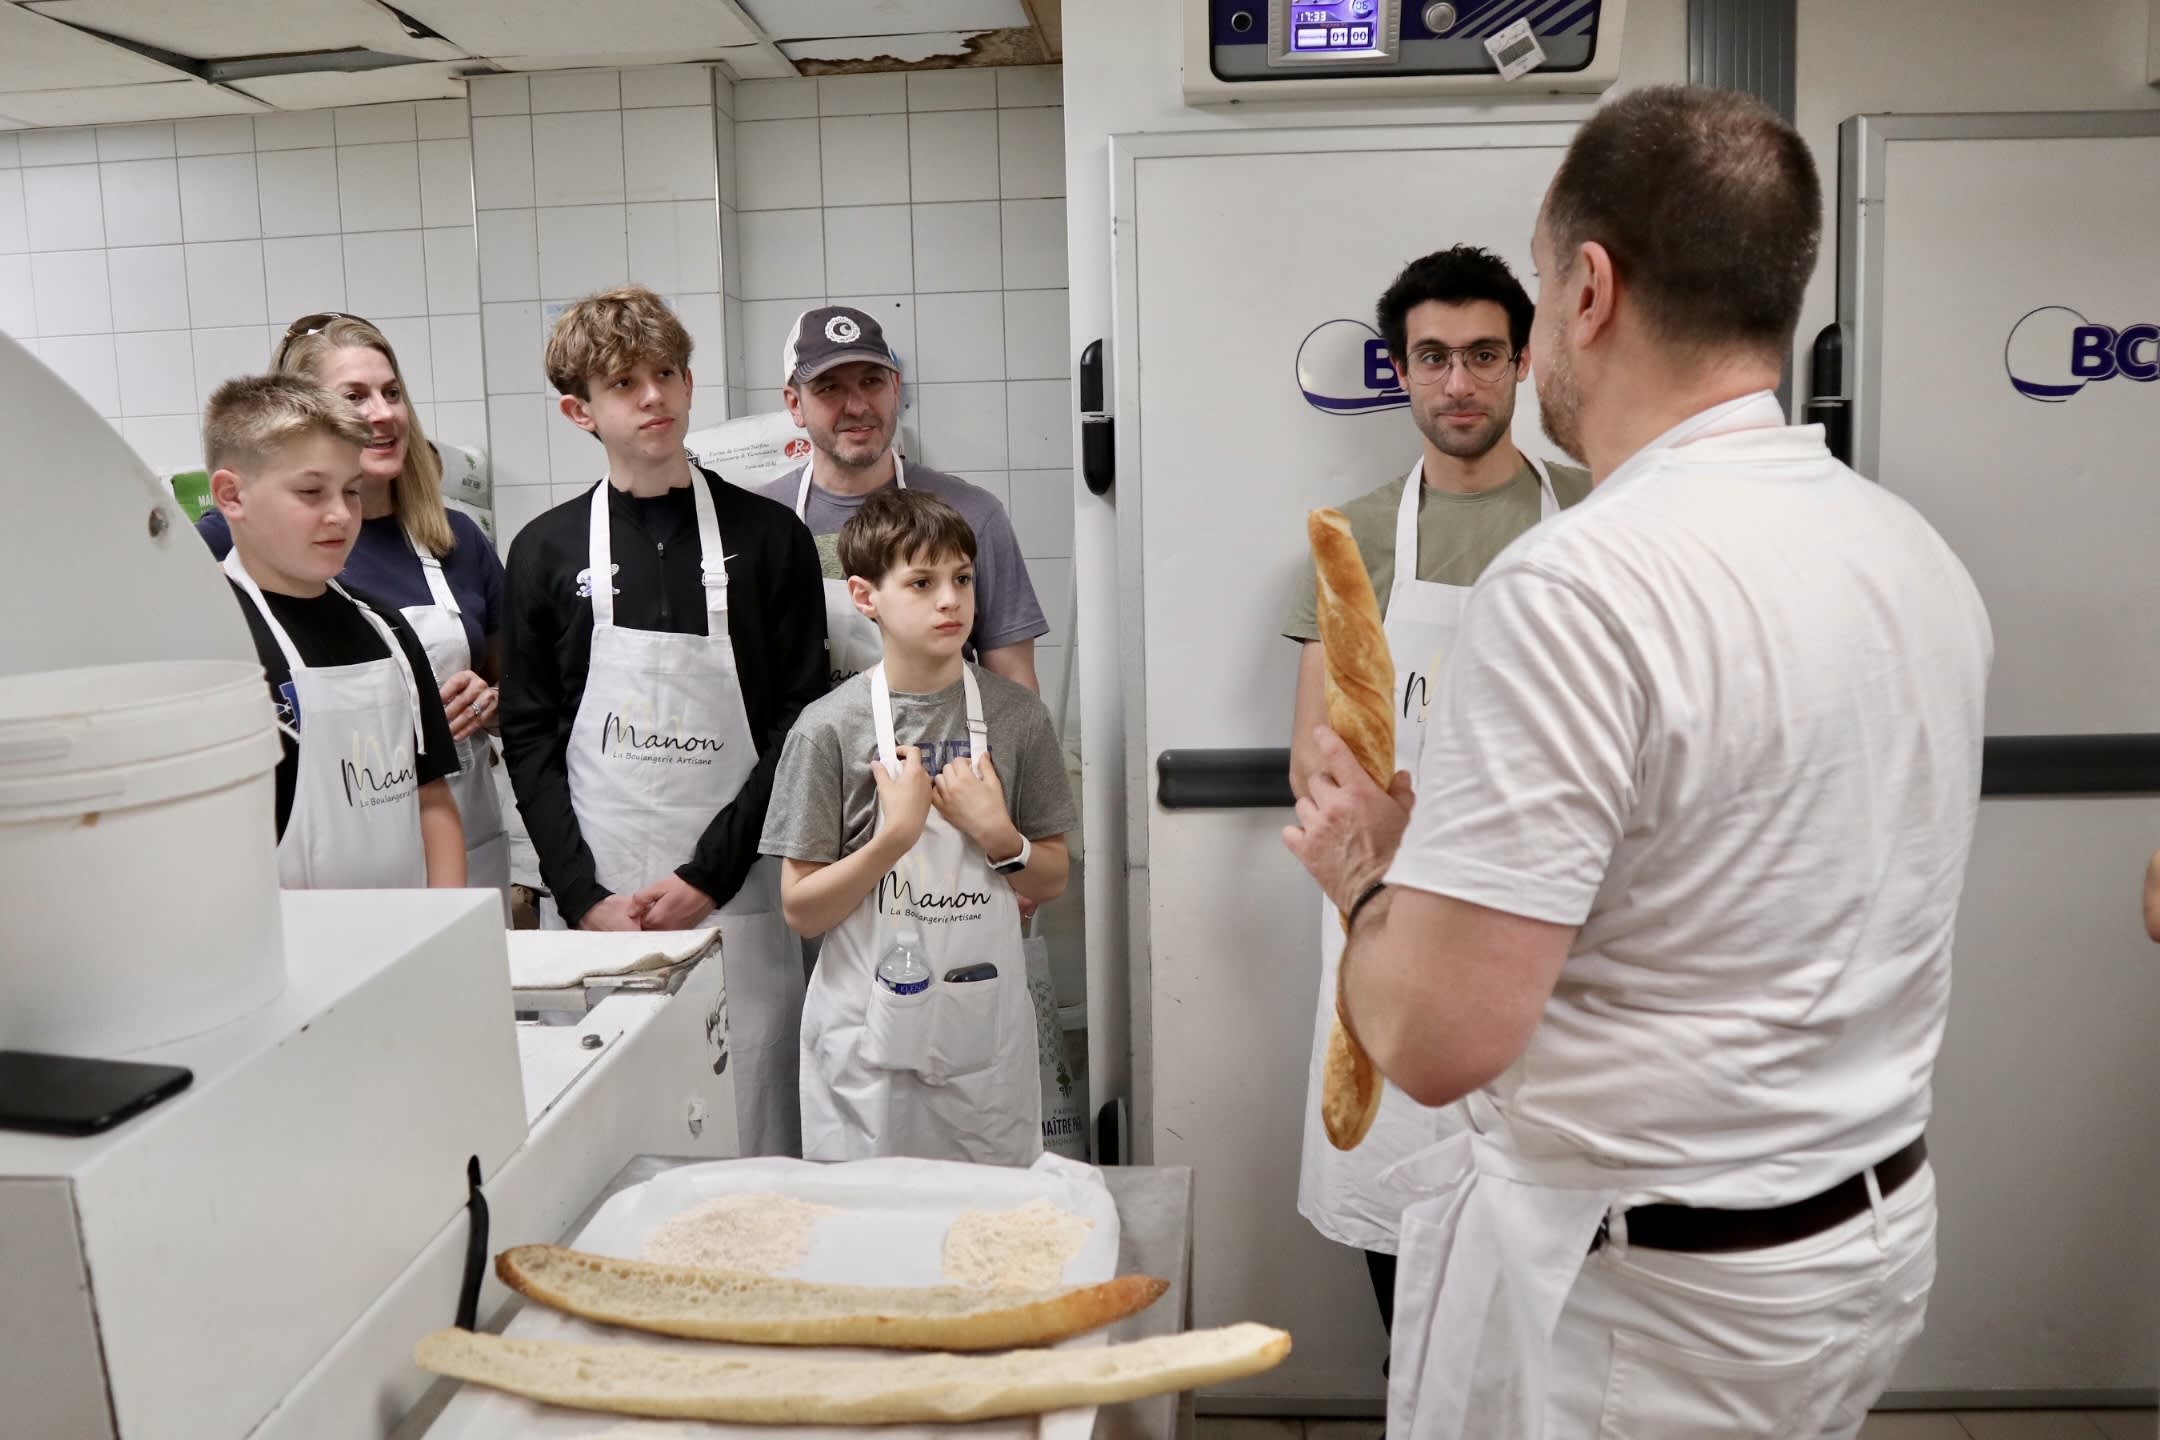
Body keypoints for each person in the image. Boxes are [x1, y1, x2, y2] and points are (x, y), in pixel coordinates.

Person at [1284, 86, 1992, 1438]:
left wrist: (1368, 871)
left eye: (1538, 293)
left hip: (1654, 1308)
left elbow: (1435, 1042)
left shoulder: (1580, 582)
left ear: (1590, 290)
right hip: (1856, 1245)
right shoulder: (1909, 552)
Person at [1282, 245, 1590, 1339]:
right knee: (1407, 1252)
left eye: (1484, 355)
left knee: (1554, 1257)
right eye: (1433, 357)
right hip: (1394, 915)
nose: (1459, 383)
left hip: (1554, 924)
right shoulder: (1352, 537)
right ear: (1401, 371)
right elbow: (1312, 756)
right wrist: (1388, 838)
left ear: (1523, 364)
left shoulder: (1595, 516)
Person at [499, 285, 826, 1157]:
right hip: (600, 911)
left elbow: (797, 722)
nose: (655, 397)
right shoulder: (544, 551)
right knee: (612, 1141)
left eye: (668, 373)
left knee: (749, 1129)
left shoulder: (771, 539)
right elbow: (527, 735)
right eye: (624, 383)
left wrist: (708, 875)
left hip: (737, 900)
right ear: (579, 411)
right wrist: (580, 895)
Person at [762, 489, 1075, 1165]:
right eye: (922, 583)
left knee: (986, 1218)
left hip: (982, 1050)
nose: (950, 601)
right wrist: (894, 839)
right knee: (869, 1220)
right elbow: (801, 911)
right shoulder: (827, 729)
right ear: (865, 596)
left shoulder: (1019, 719)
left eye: (963, 579)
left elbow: (1052, 877)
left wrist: (1000, 837)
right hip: (865, 1049)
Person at [198, 314, 511, 907]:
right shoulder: (219, 608)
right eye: (355, 396)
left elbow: (432, 795)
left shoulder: (393, 619)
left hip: (440, 863)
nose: (339, 515)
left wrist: (493, 701)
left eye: (392, 393)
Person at [758, 306, 1049, 694]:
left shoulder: (973, 513)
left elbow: (1015, 685)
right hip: (808, 734)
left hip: (946, 733)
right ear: (795, 404)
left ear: (895, 388)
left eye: (871, 382)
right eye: (829, 388)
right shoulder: (760, 521)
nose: (858, 406)